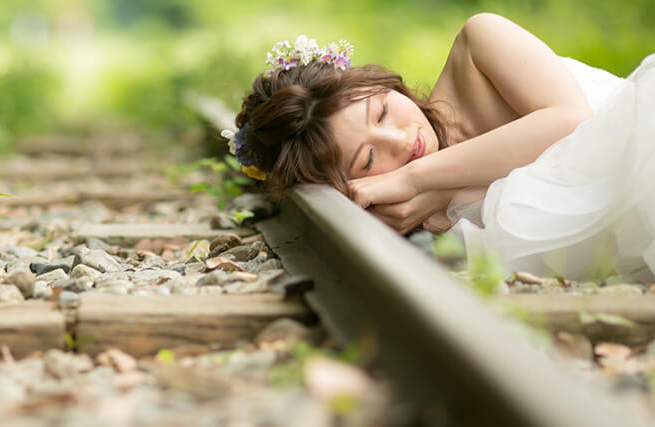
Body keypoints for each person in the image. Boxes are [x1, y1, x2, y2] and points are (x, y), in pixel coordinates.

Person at [227, 13, 655, 281]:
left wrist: (420, 178)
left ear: (381, 83)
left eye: (380, 113)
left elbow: (571, 123)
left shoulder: (479, 44)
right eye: (369, 159)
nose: (401, 140)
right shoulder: (410, 210)